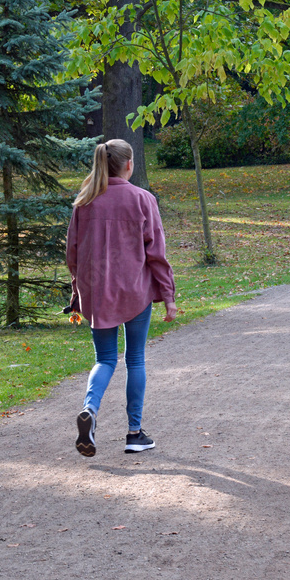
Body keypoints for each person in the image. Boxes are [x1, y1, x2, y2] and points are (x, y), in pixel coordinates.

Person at [66, 139, 177, 457]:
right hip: (135, 292)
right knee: (135, 359)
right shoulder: (143, 199)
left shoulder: (84, 202)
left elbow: (73, 255)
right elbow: (156, 253)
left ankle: (90, 410)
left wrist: (77, 294)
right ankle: (134, 433)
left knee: (104, 360)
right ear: (129, 164)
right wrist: (168, 297)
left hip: (97, 294)